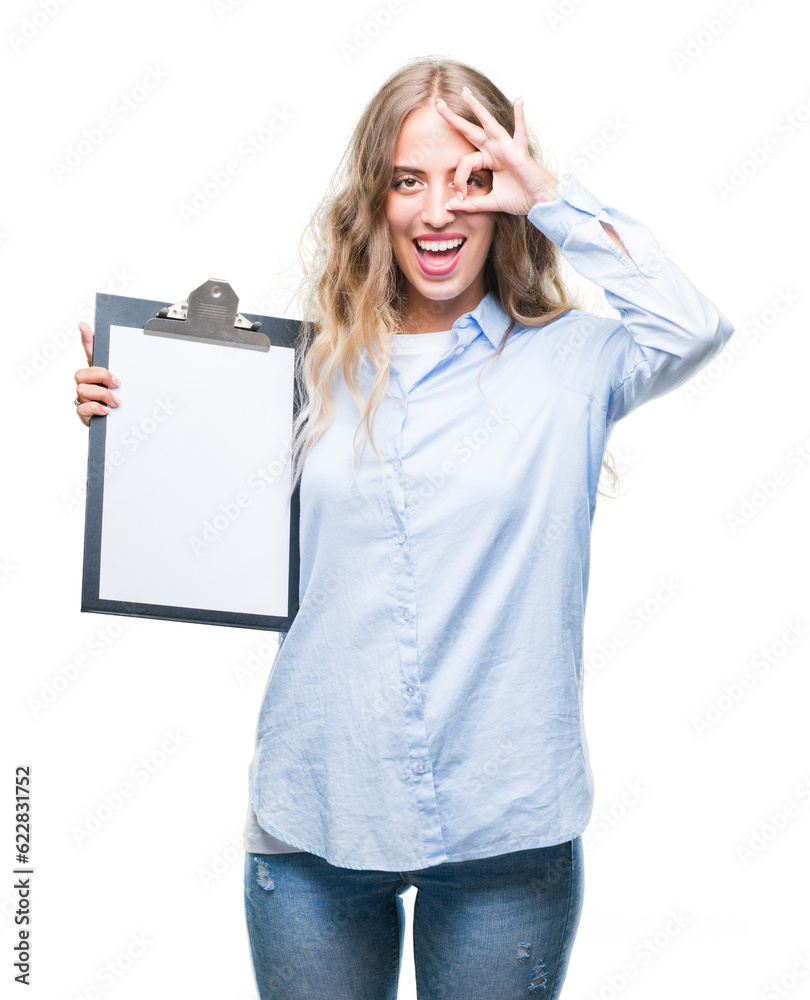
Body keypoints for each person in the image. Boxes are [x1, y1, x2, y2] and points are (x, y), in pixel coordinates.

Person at [73, 56, 735, 1000]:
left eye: (471, 180)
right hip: (317, 823)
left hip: (507, 833)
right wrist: (133, 420)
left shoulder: (575, 365)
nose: (437, 213)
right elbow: (196, 522)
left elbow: (692, 326)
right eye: (407, 180)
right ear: (374, 200)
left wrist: (547, 194)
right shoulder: (303, 370)